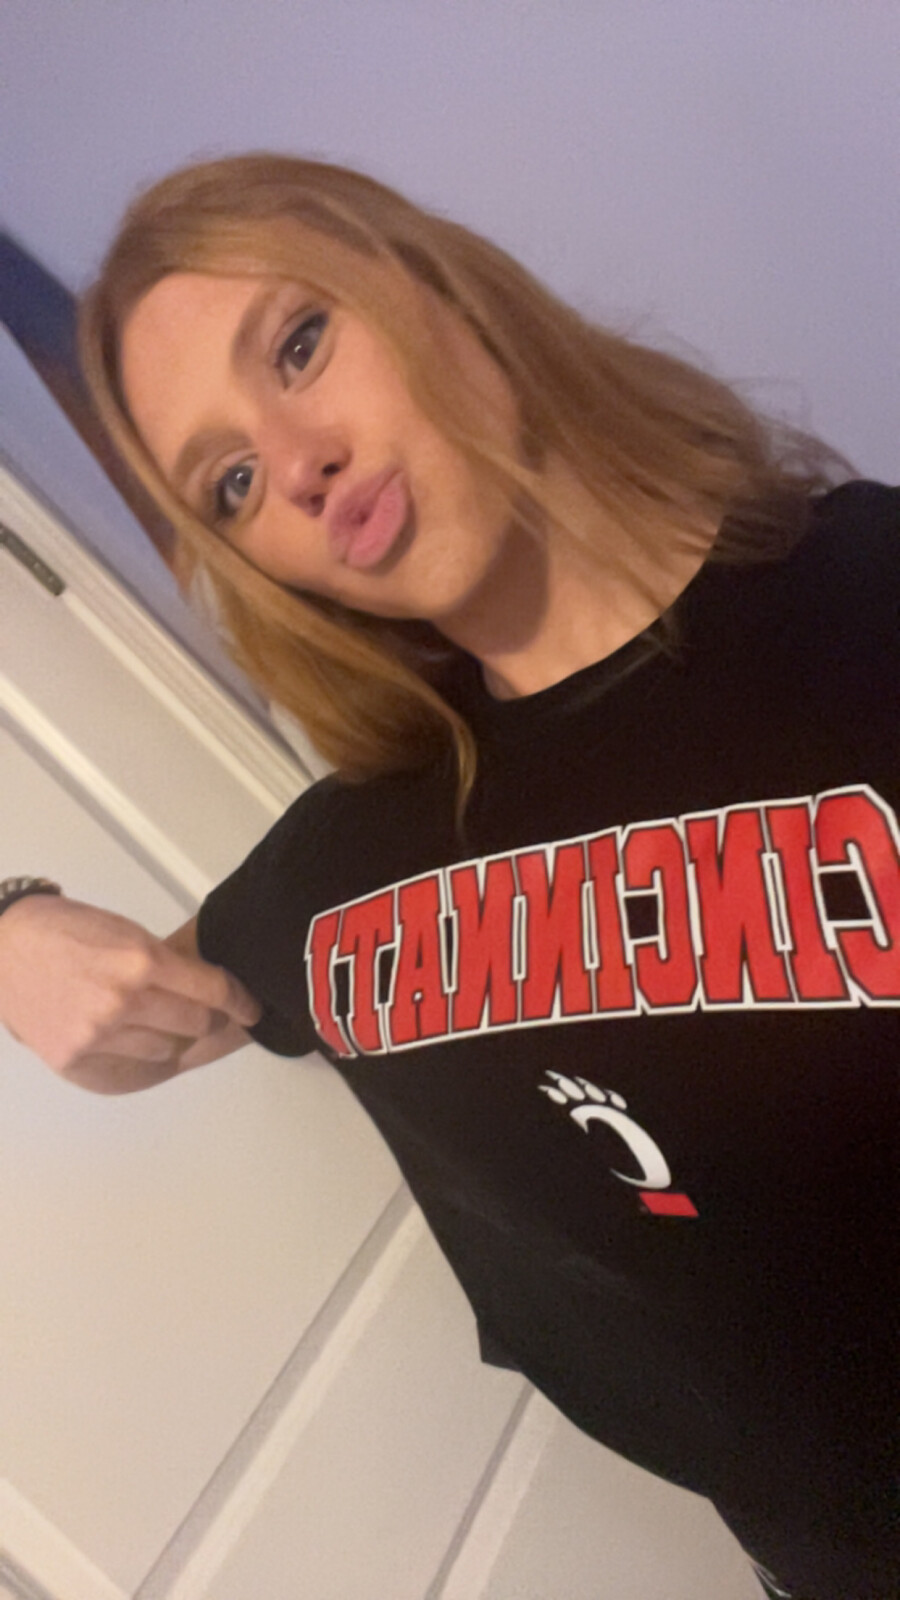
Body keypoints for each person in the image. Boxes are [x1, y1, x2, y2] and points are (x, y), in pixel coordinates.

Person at [0, 154, 896, 1600]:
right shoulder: (350, 862)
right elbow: (132, 1019)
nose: (296, 466)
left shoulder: (868, 602)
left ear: (440, 286)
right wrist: (11, 930)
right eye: (232, 483)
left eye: (300, 343)